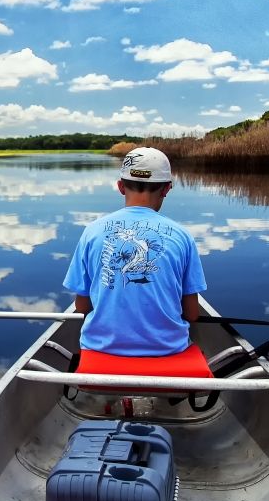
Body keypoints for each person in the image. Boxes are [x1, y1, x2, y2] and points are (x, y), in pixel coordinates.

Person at [62, 147, 207, 358]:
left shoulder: (92, 231)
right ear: (166, 188)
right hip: (168, 352)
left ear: (120, 187)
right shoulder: (182, 236)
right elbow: (192, 314)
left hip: (101, 350)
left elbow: (82, 306)